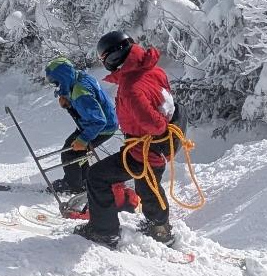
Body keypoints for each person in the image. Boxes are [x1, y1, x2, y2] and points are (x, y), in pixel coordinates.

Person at [76, 30, 179, 248]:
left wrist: (152, 132)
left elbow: (155, 124)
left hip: (143, 149)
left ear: (113, 58)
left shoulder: (131, 87)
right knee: (148, 186)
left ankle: (104, 231)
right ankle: (159, 228)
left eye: (104, 59)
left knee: (97, 176)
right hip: (154, 148)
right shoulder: (154, 70)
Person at [43, 56, 133, 223]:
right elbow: (83, 103)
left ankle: (73, 185)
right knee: (76, 151)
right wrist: (68, 102)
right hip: (92, 124)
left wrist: (84, 139)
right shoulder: (79, 78)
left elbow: (98, 120)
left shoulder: (81, 92)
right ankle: (83, 181)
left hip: (100, 128)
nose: (56, 85)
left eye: (56, 82)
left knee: (70, 153)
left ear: (63, 77)